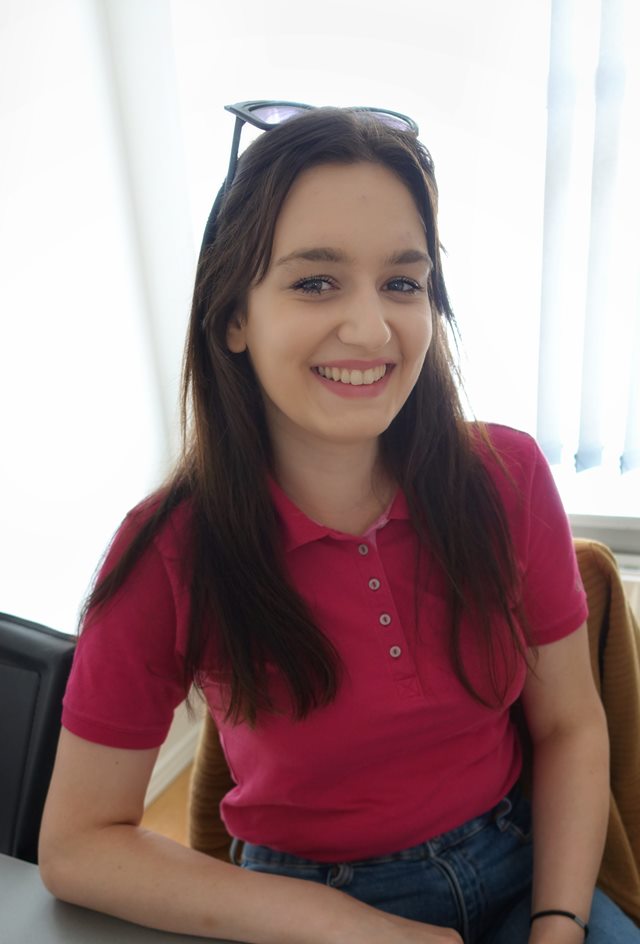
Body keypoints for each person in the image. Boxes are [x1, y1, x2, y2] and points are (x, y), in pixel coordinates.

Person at [39, 102, 639, 944]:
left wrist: (557, 924)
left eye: (403, 281)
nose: (371, 327)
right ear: (234, 316)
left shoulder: (506, 479)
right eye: (315, 281)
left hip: (518, 867)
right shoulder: (168, 551)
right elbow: (77, 846)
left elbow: (570, 726)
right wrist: (344, 925)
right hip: (304, 904)